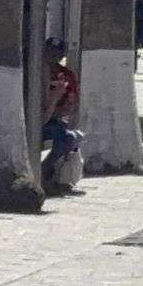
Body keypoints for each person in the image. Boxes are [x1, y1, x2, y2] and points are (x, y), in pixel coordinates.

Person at [40, 37, 83, 194]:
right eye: (49, 53)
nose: (52, 57)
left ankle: (46, 169)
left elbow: (71, 104)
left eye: (56, 54)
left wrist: (57, 104)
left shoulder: (65, 75)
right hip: (37, 121)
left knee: (71, 137)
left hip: (54, 120)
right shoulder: (36, 72)